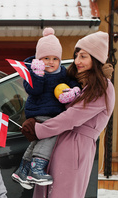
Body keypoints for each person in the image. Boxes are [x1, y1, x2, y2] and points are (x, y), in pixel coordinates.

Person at [21, 31, 115, 198]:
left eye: (84, 55)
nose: (78, 60)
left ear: (96, 59)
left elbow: (71, 117)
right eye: (76, 54)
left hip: (74, 150)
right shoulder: (80, 83)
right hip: (61, 146)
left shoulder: (102, 87)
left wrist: (39, 130)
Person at [11, 27, 81, 189]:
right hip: (39, 112)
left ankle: (23, 170)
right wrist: (37, 74)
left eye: (55, 58)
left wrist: (73, 91)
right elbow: (33, 90)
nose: (51, 62)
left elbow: (73, 83)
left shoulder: (63, 73)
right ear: (38, 59)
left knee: (38, 140)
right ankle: (37, 168)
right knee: (51, 135)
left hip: (52, 113)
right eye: (46, 58)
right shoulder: (34, 73)